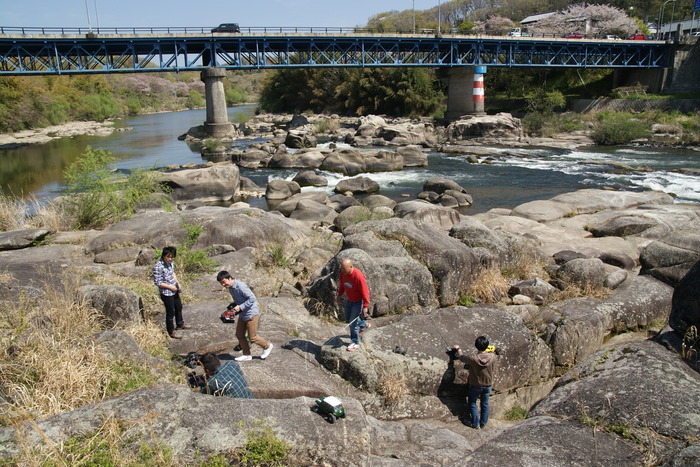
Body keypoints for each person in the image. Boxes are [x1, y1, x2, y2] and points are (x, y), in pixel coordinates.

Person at [216, 270, 273, 361]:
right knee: (239, 334)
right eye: (221, 283)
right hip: (243, 314)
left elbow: (252, 298)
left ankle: (267, 346)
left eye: (223, 282)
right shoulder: (231, 288)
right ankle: (247, 354)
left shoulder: (240, 286)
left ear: (229, 278)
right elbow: (240, 300)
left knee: (252, 337)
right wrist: (233, 307)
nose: (223, 284)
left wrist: (241, 306)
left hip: (251, 314)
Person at [451, 336, 499, 429]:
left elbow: (462, 357)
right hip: (488, 384)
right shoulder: (492, 357)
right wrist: (493, 348)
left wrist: (458, 349)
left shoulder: (474, 358)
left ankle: (475, 423)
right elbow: (497, 352)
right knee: (485, 404)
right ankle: (483, 423)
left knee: (472, 402)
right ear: (487, 346)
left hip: (475, 385)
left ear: (476, 346)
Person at [153, 246, 190, 339]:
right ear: (164, 256)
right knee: (170, 312)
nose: (170, 259)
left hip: (174, 289)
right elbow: (157, 282)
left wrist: (177, 282)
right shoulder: (158, 266)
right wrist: (170, 287)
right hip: (166, 292)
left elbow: (173, 273)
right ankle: (171, 331)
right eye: (168, 257)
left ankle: (180, 324)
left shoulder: (170, 263)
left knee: (179, 307)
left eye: (172, 257)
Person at [336, 258, 371, 352]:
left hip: (358, 301)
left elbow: (365, 292)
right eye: (341, 268)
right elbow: (342, 285)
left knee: (352, 323)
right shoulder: (343, 273)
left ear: (351, 267)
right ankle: (364, 324)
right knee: (347, 317)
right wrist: (339, 295)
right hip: (350, 300)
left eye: (344, 268)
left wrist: (365, 306)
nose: (342, 270)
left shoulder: (358, 276)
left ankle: (355, 342)